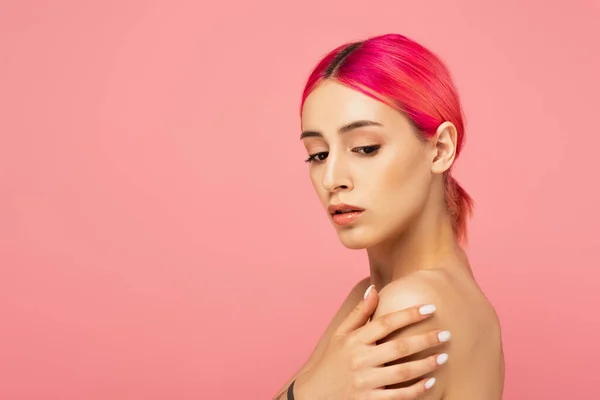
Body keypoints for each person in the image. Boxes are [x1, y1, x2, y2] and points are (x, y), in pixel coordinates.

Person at [273, 33, 505, 399]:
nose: (332, 179)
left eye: (365, 148)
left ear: (441, 149)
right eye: (318, 154)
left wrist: (309, 393)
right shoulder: (377, 294)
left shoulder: (411, 306)